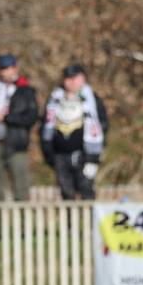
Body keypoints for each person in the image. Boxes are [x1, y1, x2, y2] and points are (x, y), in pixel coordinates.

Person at [41, 64, 108, 200]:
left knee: (86, 190)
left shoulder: (92, 100)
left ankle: (89, 221)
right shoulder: (55, 99)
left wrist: (93, 158)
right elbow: (46, 125)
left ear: (82, 79)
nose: (71, 82)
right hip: (60, 155)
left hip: (84, 154)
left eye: (74, 78)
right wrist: (48, 152)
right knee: (66, 193)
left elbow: (102, 125)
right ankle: (70, 221)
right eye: (68, 78)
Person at [0, 54, 38, 201]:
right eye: (1, 69)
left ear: (15, 68)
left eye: (7, 68)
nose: (4, 72)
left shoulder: (25, 91)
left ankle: (22, 222)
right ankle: (0, 222)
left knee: (20, 185)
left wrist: (7, 118)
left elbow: (31, 118)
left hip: (16, 141)